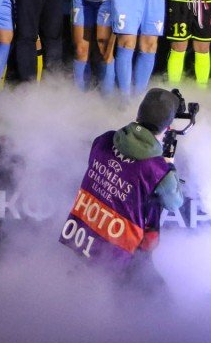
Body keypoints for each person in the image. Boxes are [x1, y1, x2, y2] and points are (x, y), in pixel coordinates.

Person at [59, 88, 184, 279]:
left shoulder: (103, 140)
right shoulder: (158, 170)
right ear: (167, 128)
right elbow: (174, 203)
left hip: (84, 242)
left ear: (138, 116)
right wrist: (169, 165)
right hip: (123, 258)